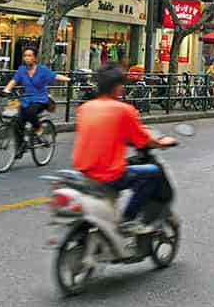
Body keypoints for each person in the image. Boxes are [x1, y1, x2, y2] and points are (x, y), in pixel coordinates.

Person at [72, 64, 178, 234]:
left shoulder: (85, 108)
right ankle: (129, 219)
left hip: (84, 171)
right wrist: (164, 142)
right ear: (118, 87)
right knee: (153, 172)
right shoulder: (124, 110)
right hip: (109, 174)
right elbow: (144, 140)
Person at [2, 47, 71, 155]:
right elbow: (13, 81)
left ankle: (39, 130)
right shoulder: (21, 70)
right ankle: (21, 146)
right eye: (25, 55)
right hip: (26, 99)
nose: (27, 58)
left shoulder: (42, 70)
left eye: (29, 55)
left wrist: (69, 79)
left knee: (30, 112)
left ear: (34, 58)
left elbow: (55, 76)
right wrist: (6, 90)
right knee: (17, 121)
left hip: (40, 99)